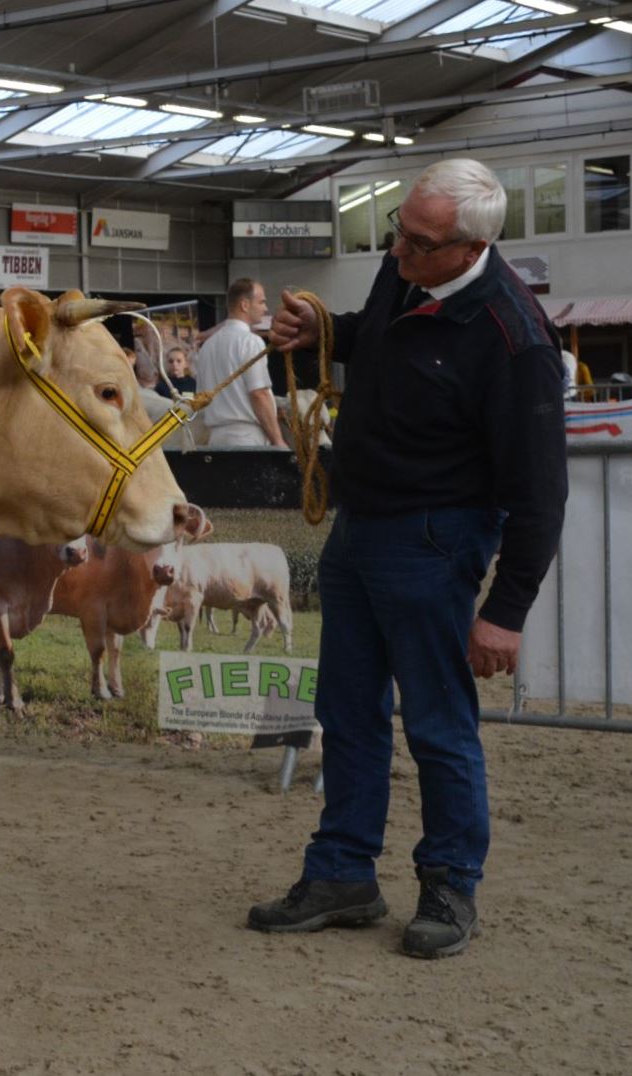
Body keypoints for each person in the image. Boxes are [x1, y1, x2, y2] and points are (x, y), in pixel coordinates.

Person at [248, 158, 567, 959]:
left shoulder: (514, 338)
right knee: (347, 712)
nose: (396, 255)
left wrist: (504, 611)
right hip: (360, 529)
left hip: (435, 540)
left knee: (437, 723)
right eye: (397, 234)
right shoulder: (409, 276)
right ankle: (342, 872)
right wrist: (323, 331)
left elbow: (540, 493)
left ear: (471, 248)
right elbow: (372, 335)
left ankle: (450, 885)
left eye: (417, 245)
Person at [197, 279, 287, 447]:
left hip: (214, 439)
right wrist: (278, 440)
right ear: (244, 305)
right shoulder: (251, 342)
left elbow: (201, 399)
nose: (265, 308)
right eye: (261, 302)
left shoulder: (207, 346)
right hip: (246, 438)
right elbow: (258, 394)